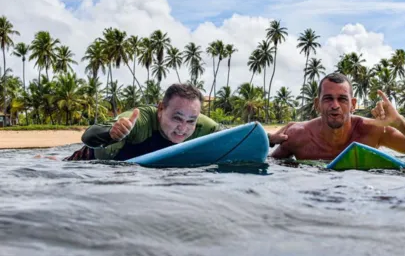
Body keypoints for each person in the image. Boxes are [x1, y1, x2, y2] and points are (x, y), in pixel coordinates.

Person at [64, 83, 289, 161]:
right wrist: (112, 134)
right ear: (161, 109)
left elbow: (233, 137)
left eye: (191, 120)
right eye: (177, 118)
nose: (183, 128)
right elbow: (89, 135)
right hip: (89, 161)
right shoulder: (138, 120)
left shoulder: (201, 125)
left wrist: (268, 139)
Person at [271, 73, 405, 160]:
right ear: (317, 104)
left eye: (342, 99)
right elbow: (271, 164)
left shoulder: (372, 131)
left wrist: (399, 122)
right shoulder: (298, 136)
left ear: (353, 104)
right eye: (328, 98)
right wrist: (268, 139)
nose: (335, 105)